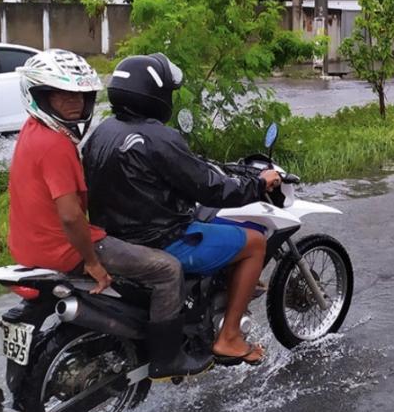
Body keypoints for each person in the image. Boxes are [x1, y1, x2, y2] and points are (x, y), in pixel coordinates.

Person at [9, 49, 212, 379]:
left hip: (28, 248)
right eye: (62, 96)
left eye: (81, 96)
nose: (74, 104)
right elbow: (71, 217)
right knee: (167, 269)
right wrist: (91, 261)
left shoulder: (32, 132)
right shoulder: (56, 146)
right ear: (40, 97)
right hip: (63, 248)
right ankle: (167, 359)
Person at [82, 53, 281, 366]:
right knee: (254, 242)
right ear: (155, 94)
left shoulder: (103, 132)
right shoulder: (158, 136)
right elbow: (211, 188)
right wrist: (257, 184)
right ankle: (229, 337)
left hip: (117, 238)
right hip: (161, 239)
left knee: (212, 222)